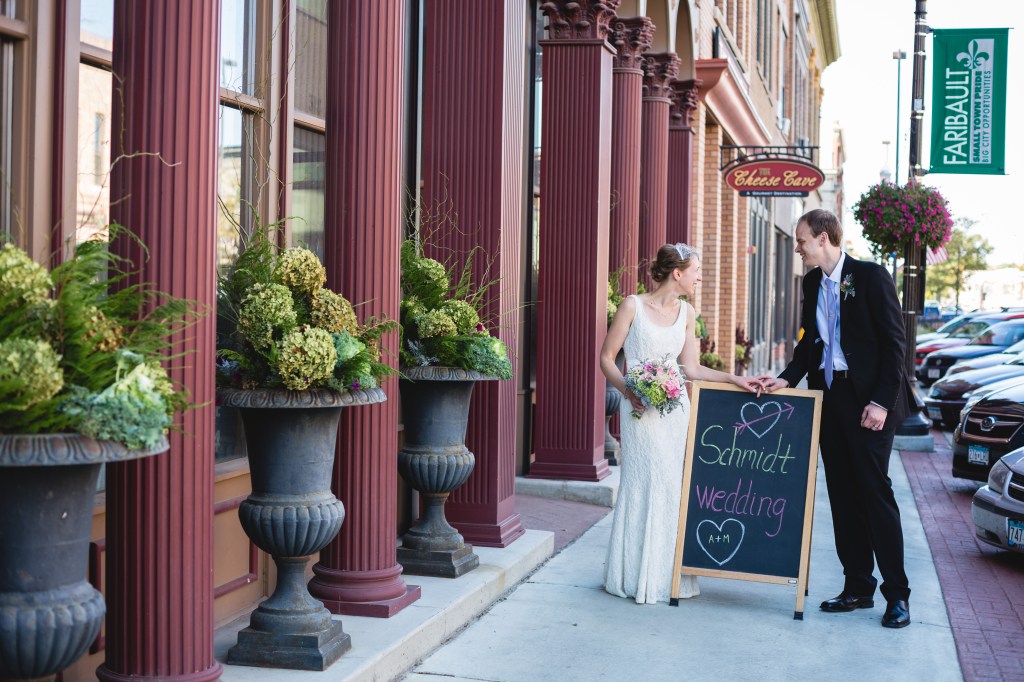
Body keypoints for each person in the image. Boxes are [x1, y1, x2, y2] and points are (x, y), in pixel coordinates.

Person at [757, 208, 912, 628]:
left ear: (823, 239)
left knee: (875, 494)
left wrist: (881, 402)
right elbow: (810, 347)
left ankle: (897, 595)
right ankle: (857, 586)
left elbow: (896, 345)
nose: (798, 248)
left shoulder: (870, 276)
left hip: (870, 404)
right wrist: (785, 380)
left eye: (801, 241)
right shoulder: (811, 282)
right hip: (829, 398)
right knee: (842, 495)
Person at [600, 243, 763, 604]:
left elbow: (690, 368)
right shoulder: (633, 305)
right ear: (678, 273)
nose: (700, 278)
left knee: (673, 486)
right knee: (645, 482)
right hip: (639, 410)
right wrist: (629, 390)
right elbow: (607, 358)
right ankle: (632, 575)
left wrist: (735, 379)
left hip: (675, 414)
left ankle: (669, 578)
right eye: (696, 272)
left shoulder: (688, 312)